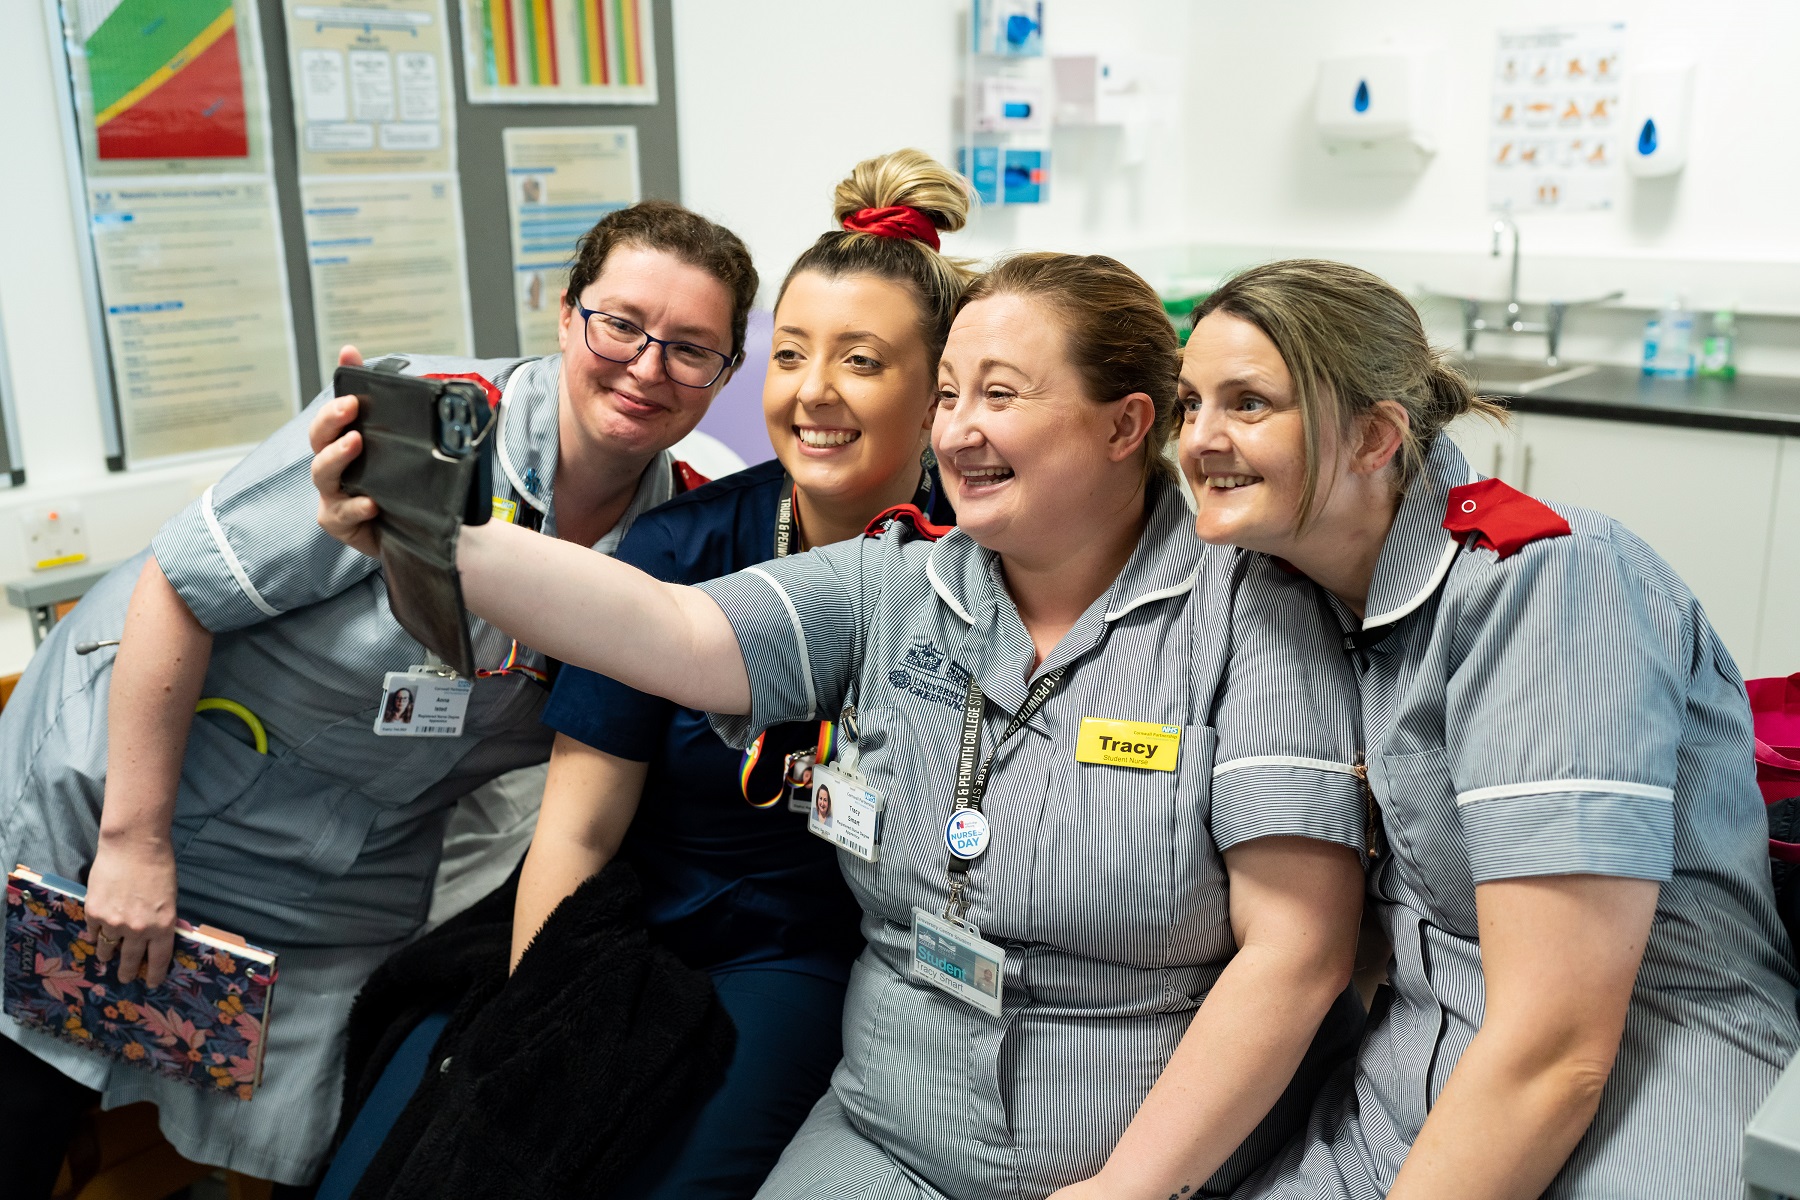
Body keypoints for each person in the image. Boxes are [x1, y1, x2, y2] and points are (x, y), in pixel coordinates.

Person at [314, 251, 1374, 1198]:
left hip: (1144, 1151)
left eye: (998, 395)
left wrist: (1131, 1189)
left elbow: (1299, 950)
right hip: (888, 1129)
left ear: (1125, 425)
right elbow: (673, 630)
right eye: (949, 394)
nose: (955, 428)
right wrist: (441, 541)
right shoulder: (893, 578)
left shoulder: (1251, 616)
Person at [0, 199, 757, 1193]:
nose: (648, 366)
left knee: (302, 1150)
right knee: (28, 1106)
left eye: (692, 348)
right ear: (566, 314)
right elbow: (175, 590)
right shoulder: (414, 428)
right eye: (620, 324)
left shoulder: (683, 532)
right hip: (144, 798)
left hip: (333, 887)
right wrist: (134, 843)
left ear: (727, 371)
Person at [1174, 259, 1800, 1199]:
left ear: (1376, 436)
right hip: (1418, 1082)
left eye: (1249, 403)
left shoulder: (1551, 588)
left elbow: (1556, 1055)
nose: (1199, 442)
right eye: (1189, 404)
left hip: (1642, 1080)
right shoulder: (1295, 592)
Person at [503, 148, 966, 1198]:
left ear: (939, 390)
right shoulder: (681, 547)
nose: (812, 394)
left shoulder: (976, 564)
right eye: (792, 355)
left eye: (860, 361)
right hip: (637, 921)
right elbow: (576, 826)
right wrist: (536, 1030)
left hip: (808, 956)